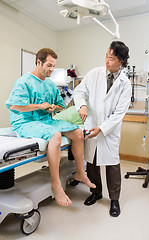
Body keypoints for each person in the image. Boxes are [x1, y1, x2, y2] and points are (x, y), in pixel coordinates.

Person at [6, 48, 95, 207]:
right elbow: (15, 105)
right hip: (25, 122)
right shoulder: (24, 81)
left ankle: (81, 173)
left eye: (54, 66)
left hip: (45, 120)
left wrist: (54, 108)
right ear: (38, 62)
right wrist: (40, 106)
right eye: (49, 65)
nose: (52, 70)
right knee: (55, 135)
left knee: (77, 132)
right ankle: (56, 185)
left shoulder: (50, 85)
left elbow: (61, 106)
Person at [74, 41, 131, 217]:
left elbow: (119, 113)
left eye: (112, 58)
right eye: (106, 55)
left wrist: (102, 128)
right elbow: (79, 92)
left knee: (112, 164)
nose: (107, 60)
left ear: (121, 61)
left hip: (109, 130)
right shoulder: (94, 74)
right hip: (91, 124)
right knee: (92, 161)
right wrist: (82, 106)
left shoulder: (125, 83)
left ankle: (114, 200)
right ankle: (96, 192)